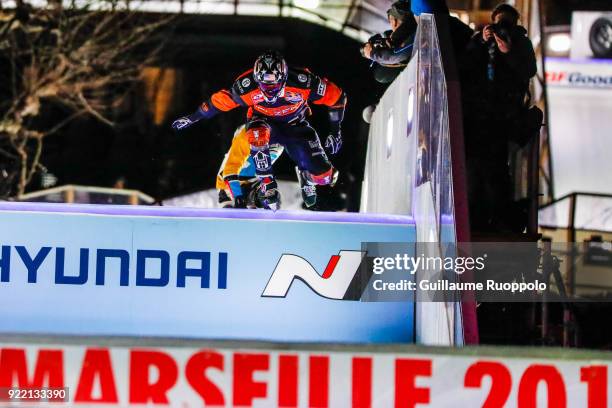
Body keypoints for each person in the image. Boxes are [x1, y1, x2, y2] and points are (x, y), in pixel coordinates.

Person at [172, 51, 347, 210]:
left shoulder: (304, 81)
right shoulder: (245, 87)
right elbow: (219, 102)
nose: (269, 90)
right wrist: (193, 117)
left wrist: (335, 129)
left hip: (295, 125)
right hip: (263, 123)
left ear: (284, 77)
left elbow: (337, 97)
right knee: (258, 135)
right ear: (257, 79)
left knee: (326, 177)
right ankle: (266, 183)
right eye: (264, 83)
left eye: (273, 83)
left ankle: (307, 175)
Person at [461, 3, 537, 231]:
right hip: (477, 115)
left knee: (497, 170)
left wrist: (509, 52)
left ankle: (498, 220)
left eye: (507, 22)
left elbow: (528, 71)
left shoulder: (521, 43)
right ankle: (475, 220)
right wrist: (480, 42)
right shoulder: (481, 41)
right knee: (473, 169)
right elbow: (464, 67)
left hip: (502, 116)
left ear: (515, 24)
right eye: (498, 22)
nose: (502, 27)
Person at [215, 125, 283, 208]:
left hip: (251, 179)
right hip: (230, 182)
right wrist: (237, 196)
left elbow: (264, 169)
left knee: (269, 198)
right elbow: (229, 170)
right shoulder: (243, 140)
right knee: (231, 207)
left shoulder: (278, 143)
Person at [360, 0, 418, 85]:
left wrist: (372, 54)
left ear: (394, 22)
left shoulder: (416, 31)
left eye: (390, 22)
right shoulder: (416, 22)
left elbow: (396, 55)